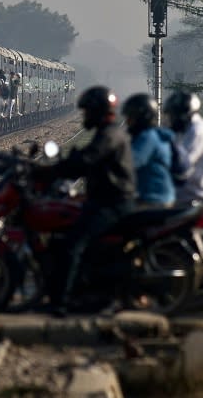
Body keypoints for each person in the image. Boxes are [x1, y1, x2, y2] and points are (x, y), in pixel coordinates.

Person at [43, 86, 135, 309]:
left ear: (96, 112)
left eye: (86, 112)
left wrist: (54, 170)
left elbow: (88, 159)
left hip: (112, 203)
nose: (84, 116)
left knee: (72, 245)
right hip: (107, 199)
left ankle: (61, 301)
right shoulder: (109, 133)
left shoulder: (109, 135)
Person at [163, 90, 203, 204]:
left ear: (183, 114)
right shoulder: (183, 130)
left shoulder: (198, 130)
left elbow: (182, 166)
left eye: (173, 115)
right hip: (190, 196)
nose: (171, 119)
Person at [121, 93, 175, 208]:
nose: (127, 122)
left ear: (142, 117)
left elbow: (129, 163)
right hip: (154, 196)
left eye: (130, 117)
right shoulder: (155, 134)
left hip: (153, 200)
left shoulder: (148, 137)